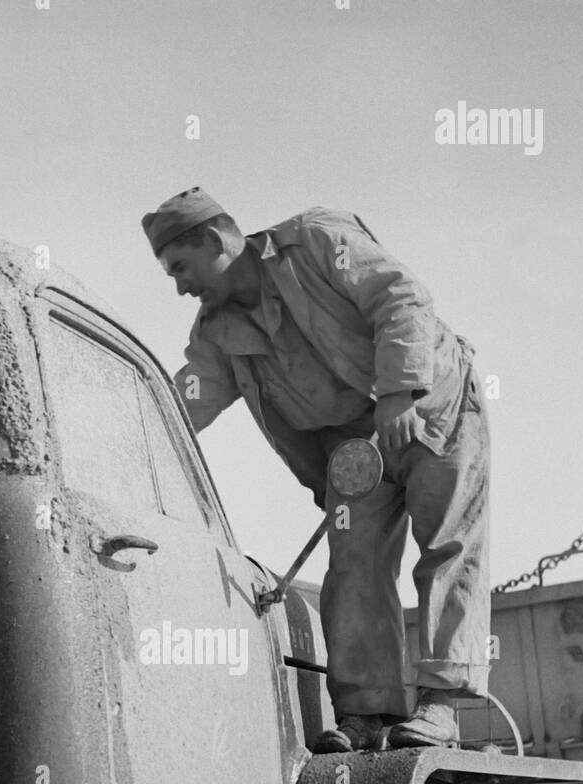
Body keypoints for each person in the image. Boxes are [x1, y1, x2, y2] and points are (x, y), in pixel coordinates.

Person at [141, 187, 492, 753]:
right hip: (356, 448)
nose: (181, 286)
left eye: (181, 266)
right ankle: (366, 714)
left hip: (433, 404)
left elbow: (401, 297)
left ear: (215, 239)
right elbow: (183, 404)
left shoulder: (316, 241)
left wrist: (400, 390)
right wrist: (127, 433)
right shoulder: (217, 334)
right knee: (353, 565)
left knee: (447, 549)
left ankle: (440, 708)